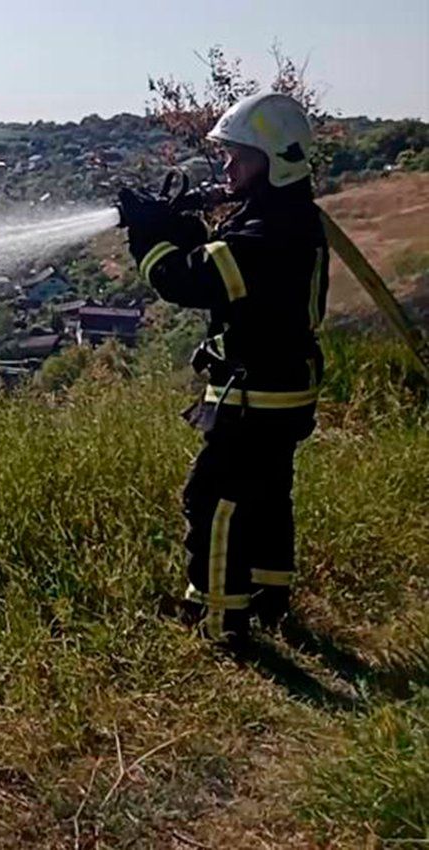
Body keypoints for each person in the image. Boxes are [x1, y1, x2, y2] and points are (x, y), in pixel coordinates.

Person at [118, 92, 328, 645]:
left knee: (213, 500)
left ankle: (217, 621)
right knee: (266, 493)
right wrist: (183, 226)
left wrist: (148, 239)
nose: (229, 167)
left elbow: (190, 282)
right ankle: (268, 598)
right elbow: (225, 271)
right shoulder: (283, 216)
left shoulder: (268, 232)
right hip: (282, 389)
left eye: (239, 156)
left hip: (256, 397)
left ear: (273, 159)